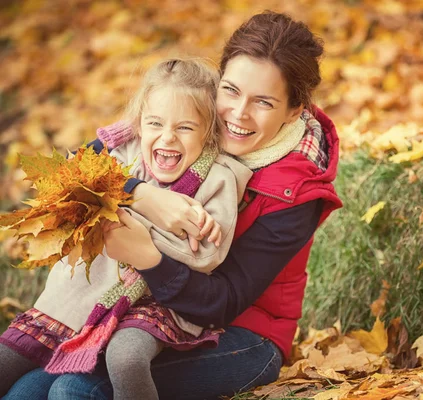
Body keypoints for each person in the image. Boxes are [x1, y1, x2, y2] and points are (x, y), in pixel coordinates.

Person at [2, 11, 342, 400]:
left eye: (263, 102)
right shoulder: (186, 126)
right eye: (230, 90)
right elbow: (81, 165)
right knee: (27, 387)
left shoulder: (297, 191)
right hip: (144, 307)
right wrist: (143, 194)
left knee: (75, 389)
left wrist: (149, 257)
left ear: (294, 110)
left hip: (242, 333)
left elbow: (222, 303)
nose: (238, 113)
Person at [0, 58, 251, 399]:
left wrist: (127, 229)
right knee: (7, 362)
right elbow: (70, 176)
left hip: (156, 303)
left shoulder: (218, 178)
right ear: (138, 124)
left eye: (186, 127)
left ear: (208, 132)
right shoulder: (121, 155)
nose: (168, 137)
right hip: (84, 294)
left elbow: (204, 254)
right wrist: (141, 201)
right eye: (155, 123)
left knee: (126, 357)